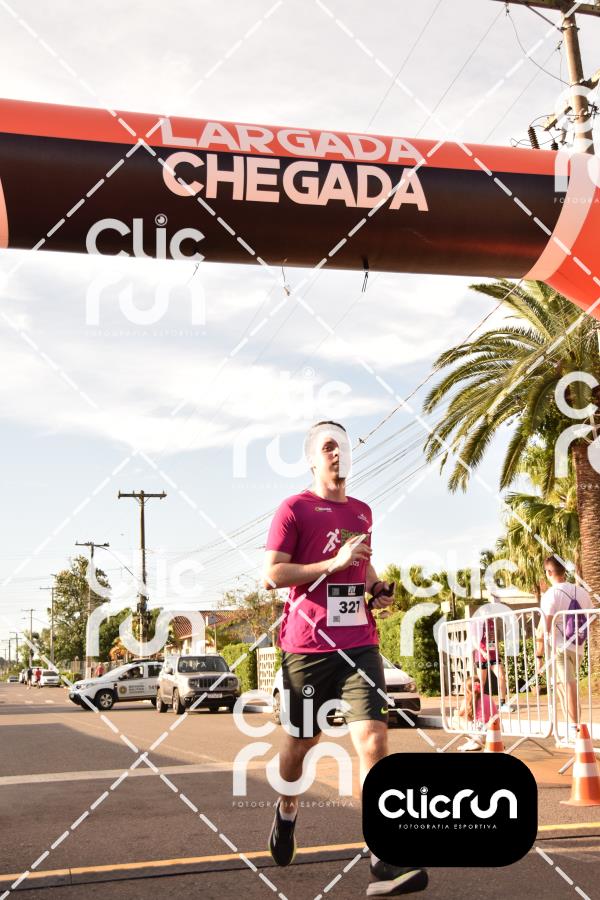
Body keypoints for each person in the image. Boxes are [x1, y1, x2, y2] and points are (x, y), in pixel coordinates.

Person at [263, 420, 428, 897]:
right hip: (307, 647)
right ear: (312, 460)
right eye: (328, 447)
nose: (338, 453)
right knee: (301, 744)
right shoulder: (294, 508)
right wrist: (330, 564)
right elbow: (272, 574)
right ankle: (287, 811)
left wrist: (376, 587)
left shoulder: (361, 511)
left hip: (359, 642)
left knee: (374, 742)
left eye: (343, 446)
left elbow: (363, 564)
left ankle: (383, 859)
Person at [535, 556, 592, 741]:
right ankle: (574, 727)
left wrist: (539, 656)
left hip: (558, 647)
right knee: (567, 684)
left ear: (549, 572)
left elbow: (544, 627)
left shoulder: (551, 594)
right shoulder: (581, 592)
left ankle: (574, 729)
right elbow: (591, 617)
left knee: (565, 685)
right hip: (578, 646)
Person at [472, 614, 511, 712]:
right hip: (481, 656)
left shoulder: (491, 622)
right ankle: (476, 704)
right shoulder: (477, 623)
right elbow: (474, 641)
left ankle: (502, 704)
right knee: (481, 682)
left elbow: (493, 639)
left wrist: (497, 651)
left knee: (501, 676)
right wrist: (483, 652)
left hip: (493, 655)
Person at [457, 677, 498, 752]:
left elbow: (461, 715)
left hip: (478, 732)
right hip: (492, 731)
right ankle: (475, 742)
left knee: (455, 720)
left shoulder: (467, 700)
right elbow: (496, 714)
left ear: (466, 690)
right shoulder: (488, 697)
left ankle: (474, 742)